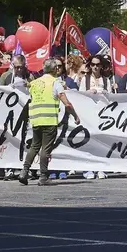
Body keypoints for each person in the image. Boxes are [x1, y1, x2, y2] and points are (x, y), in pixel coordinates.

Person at [20, 58, 80, 186]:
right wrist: (75, 115)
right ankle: (43, 176)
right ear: (55, 69)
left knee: (35, 146)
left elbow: (30, 92)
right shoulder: (55, 83)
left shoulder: (35, 83)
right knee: (46, 149)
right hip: (49, 119)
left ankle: (24, 172)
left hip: (36, 119)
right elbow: (67, 103)